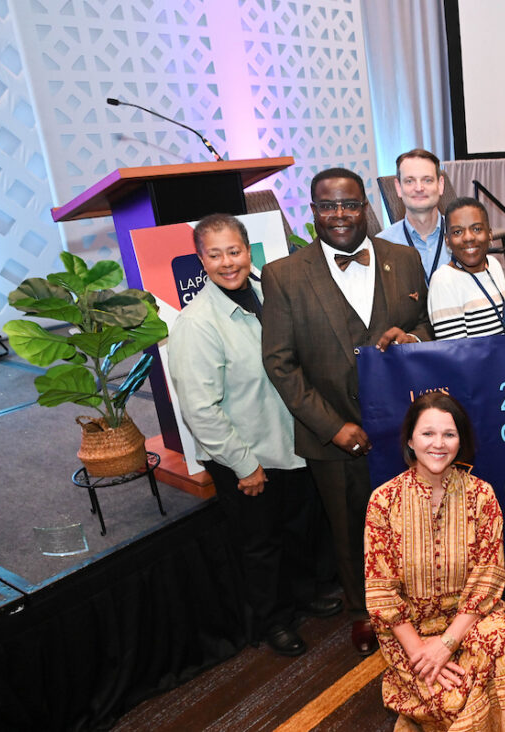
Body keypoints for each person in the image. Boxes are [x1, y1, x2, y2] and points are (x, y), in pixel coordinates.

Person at [261, 167, 434, 656]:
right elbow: (280, 362)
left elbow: (422, 323)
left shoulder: (403, 259)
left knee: (412, 520)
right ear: (313, 211)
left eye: (350, 204)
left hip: (404, 426)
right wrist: (333, 428)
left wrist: (414, 339)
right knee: (352, 531)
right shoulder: (283, 275)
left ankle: (420, 601)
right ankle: (366, 614)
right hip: (333, 436)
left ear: (366, 207)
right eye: (327, 206)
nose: (339, 215)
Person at [169, 214, 341, 657]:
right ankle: (272, 621)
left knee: (297, 530)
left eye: (235, 251)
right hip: (248, 457)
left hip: (293, 444)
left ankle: (302, 596)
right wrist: (243, 464)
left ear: (249, 251)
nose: (228, 263)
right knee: (260, 547)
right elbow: (199, 410)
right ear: (200, 260)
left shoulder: (272, 292)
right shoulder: (199, 323)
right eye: (215, 254)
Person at [365, 392, 505, 731]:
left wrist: (447, 644)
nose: (438, 444)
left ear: (460, 441)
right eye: (427, 434)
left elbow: (488, 580)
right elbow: (382, 593)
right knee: (451, 701)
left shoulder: (482, 496)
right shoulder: (383, 501)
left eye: (449, 434)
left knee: (500, 635)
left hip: (467, 624)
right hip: (410, 634)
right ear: (410, 439)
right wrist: (422, 652)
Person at [427, 197, 505, 339]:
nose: (468, 238)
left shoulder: (494, 265)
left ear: (490, 234)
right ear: (447, 240)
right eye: (457, 232)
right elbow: (456, 353)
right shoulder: (444, 281)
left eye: (477, 229)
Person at [379, 148, 452, 283]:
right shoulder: (382, 246)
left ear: (441, 185)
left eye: (427, 180)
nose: (419, 188)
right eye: (409, 181)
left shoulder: (462, 238)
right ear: (398, 187)